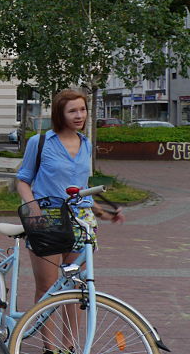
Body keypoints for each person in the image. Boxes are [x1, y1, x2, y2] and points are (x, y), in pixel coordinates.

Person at [16, 89, 125, 306]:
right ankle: (48, 342)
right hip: (49, 218)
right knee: (47, 289)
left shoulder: (86, 144)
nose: (79, 116)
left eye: (83, 109)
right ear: (59, 114)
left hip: (81, 222)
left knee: (75, 289)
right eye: (72, 111)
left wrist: (104, 213)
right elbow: (22, 181)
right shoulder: (40, 142)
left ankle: (70, 342)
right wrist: (33, 208)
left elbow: (81, 189)